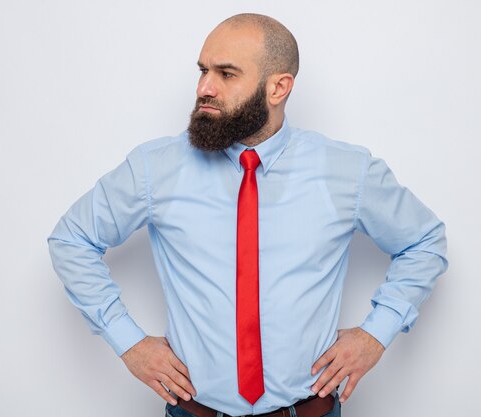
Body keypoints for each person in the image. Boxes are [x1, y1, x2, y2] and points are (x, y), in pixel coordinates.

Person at [48, 13, 448, 417]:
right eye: (204, 70)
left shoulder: (347, 170)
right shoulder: (156, 168)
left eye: (226, 74)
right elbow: (72, 240)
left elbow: (424, 242)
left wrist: (375, 335)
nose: (205, 87)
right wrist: (129, 342)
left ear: (278, 87)